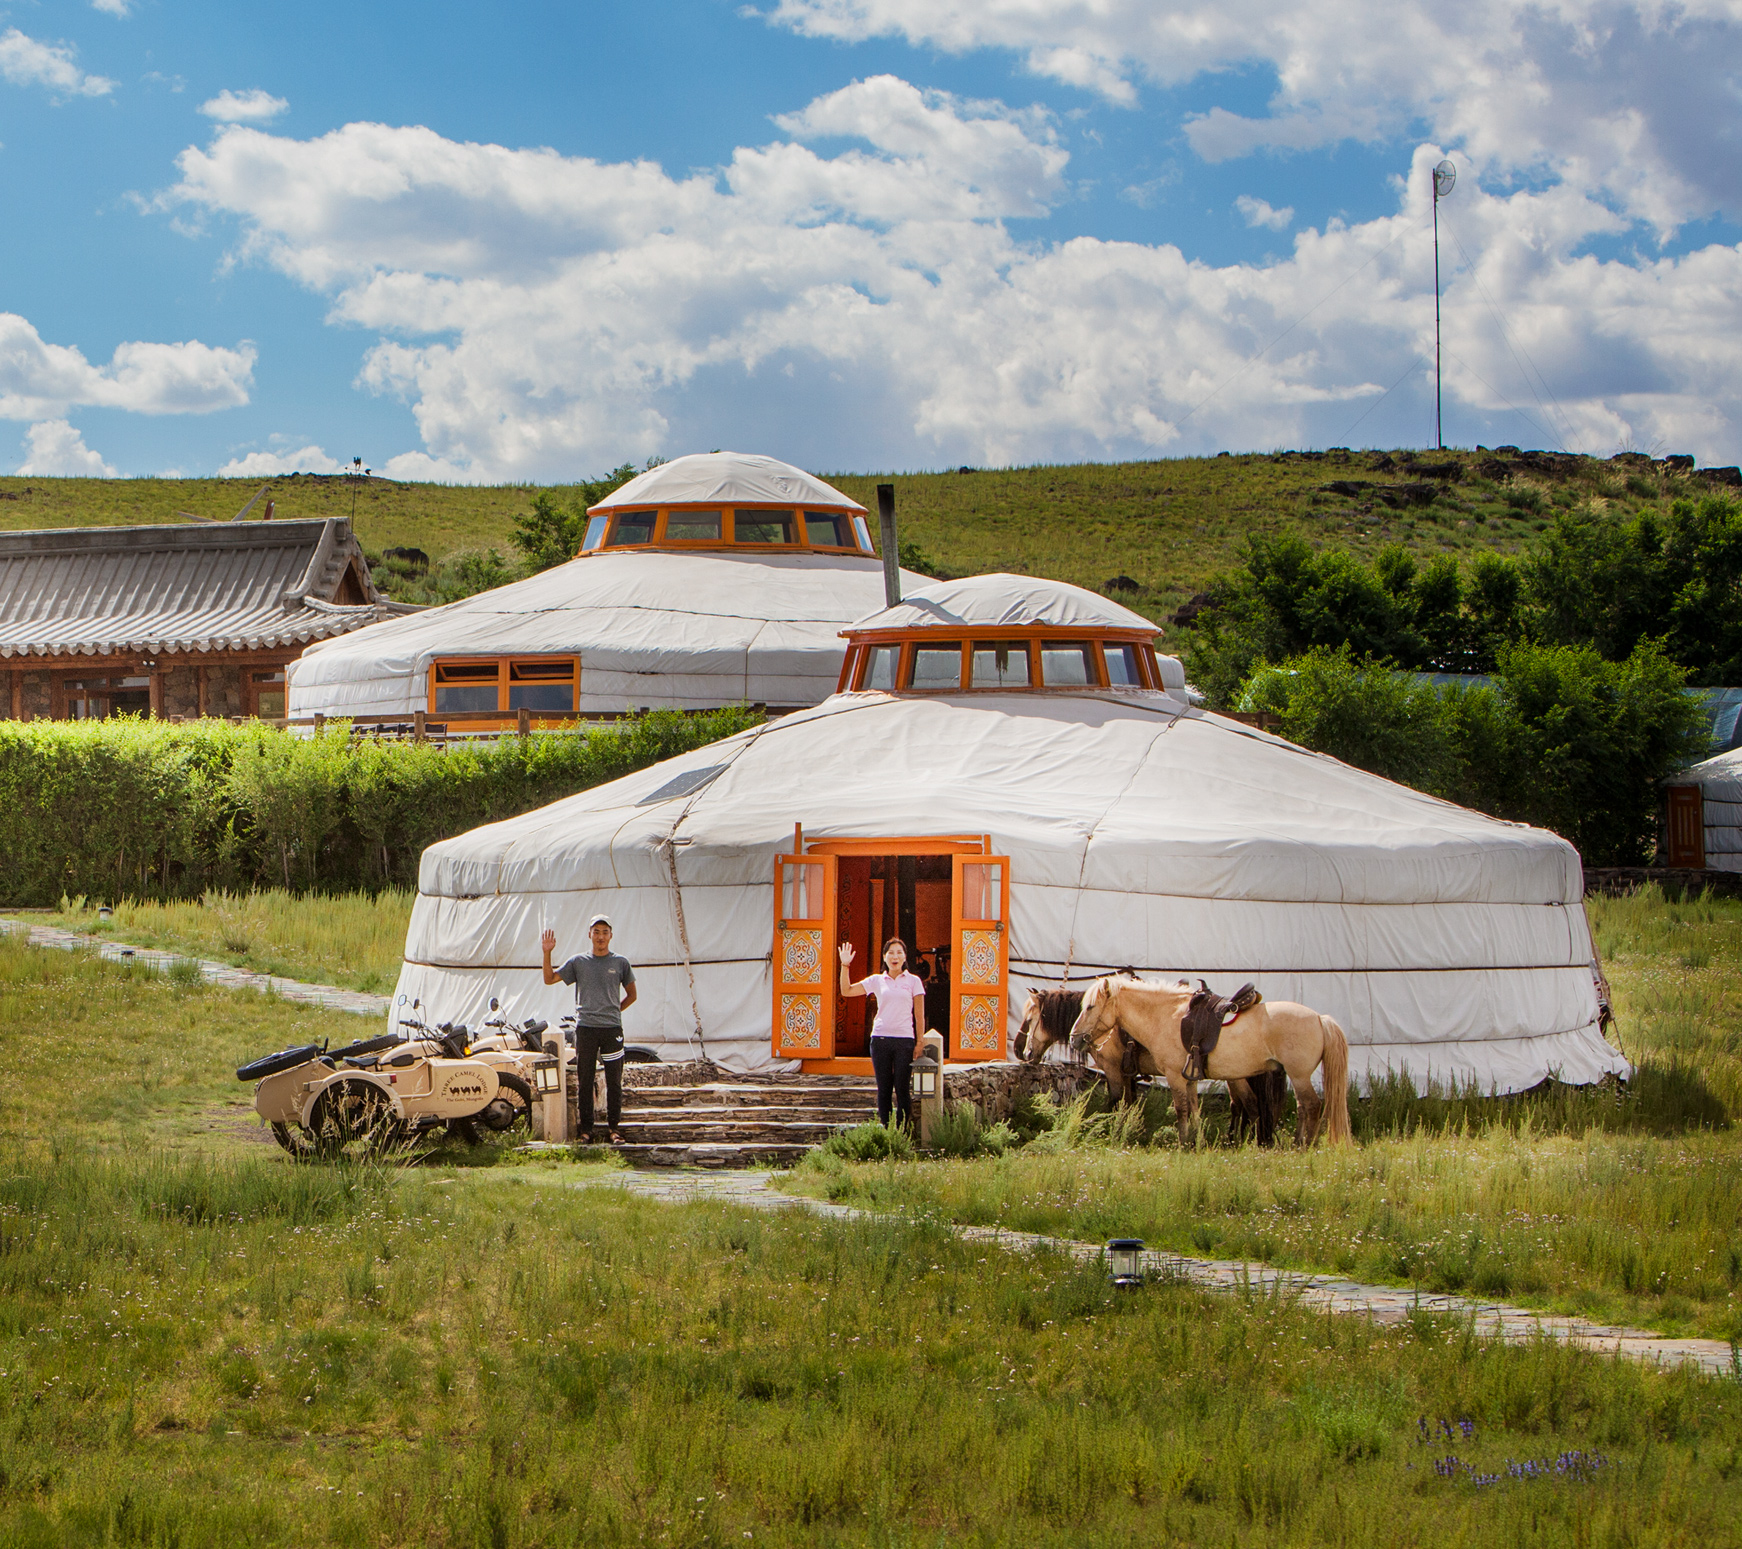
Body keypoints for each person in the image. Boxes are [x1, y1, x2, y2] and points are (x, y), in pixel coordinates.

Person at [541, 915, 637, 1144]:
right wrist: (547, 952)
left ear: (611, 935)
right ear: (589, 935)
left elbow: (632, 995)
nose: (601, 936)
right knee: (585, 1080)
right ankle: (586, 1131)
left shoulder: (620, 962)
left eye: (605, 932)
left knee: (614, 1080)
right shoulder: (578, 962)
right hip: (585, 1029)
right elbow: (549, 979)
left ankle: (614, 1129)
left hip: (611, 1029)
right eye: (596, 931)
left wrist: (613, 1011)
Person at [838, 938, 926, 1128]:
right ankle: (887, 1131)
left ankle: (903, 1133)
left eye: (899, 952)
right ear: (884, 957)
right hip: (880, 1039)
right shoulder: (877, 980)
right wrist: (845, 965)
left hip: (905, 1041)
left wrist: (920, 1042)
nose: (895, 956)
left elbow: (919, 1016)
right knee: (884, 1088)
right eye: (890, 953)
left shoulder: (913, 981)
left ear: (905, 957)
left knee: (902, 1088)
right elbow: (846, 990)